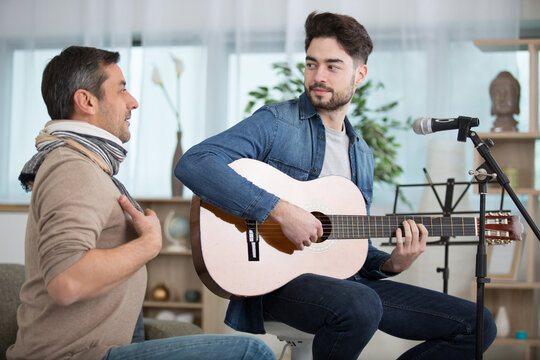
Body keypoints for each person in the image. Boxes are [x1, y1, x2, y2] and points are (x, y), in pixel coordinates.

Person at [175, 11, 497, 360]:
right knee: (360, 304)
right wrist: (280, 211)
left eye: (332, 66)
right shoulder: (277, 123)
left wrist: (391, 265)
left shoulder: (362, 154)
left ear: (360, 74)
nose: (318, 76)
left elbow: (351, 250)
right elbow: (194, 163)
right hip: (274, 284)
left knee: (477, 325)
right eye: (311, 64)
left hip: (349, 286)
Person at [7, 46, 275, 360]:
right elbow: (67, 281)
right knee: (251, 352)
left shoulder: (86, 165)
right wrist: (149, 244)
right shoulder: (71, 167)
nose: (133, 101)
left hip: (97, 351)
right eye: (121, 90)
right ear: (86, 101)